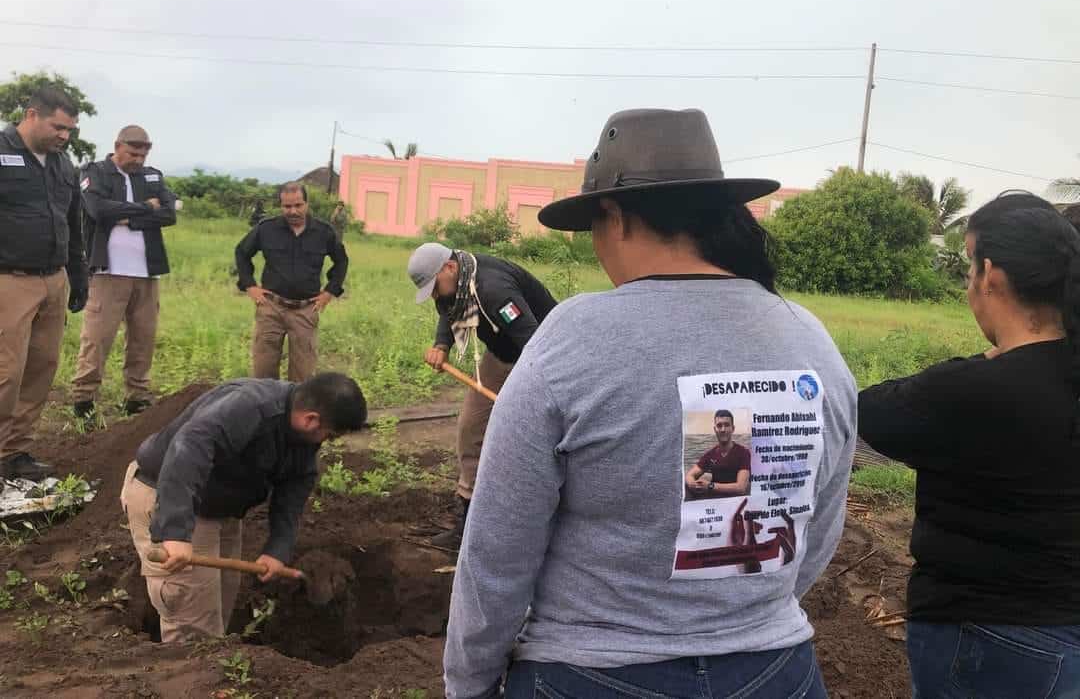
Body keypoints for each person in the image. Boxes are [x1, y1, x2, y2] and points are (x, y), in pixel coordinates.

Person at [443, 108, 856, 699]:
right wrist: (744, 616)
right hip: (777, 672)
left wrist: (470, 683)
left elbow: (497, 555)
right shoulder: (810, 338)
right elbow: (818, 527)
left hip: (592, 675)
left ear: (614, 215)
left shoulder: (572, 339)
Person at [859, 192, 1080, 698]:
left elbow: (866, 410)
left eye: (967, 270)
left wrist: (985, 360)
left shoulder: (973, 390)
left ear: (991, 277)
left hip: (992, 637)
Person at [120, 372, 367, 642]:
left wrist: (277, 549)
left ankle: (213, 670)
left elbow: (296, 485)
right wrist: (175, 532)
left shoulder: (300, 434)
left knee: (220, 605)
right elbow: (189, 447)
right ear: (311, 420)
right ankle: (191, 678)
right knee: (192, 622)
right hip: (169, 496)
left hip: (220, 508)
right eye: (329, 435)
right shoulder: (250, 407)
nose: (325, 443)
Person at [407, 240, 557, 550]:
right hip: (503, 355)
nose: (435, 294)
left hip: (543, 358)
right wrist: (441, 345)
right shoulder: (458, 283)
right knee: (471, 430)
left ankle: (539, 520)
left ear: (449, 267)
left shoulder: (494, 290)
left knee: (534, 436)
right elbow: (447, 309)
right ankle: (468, 522)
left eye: (435, 286)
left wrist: (525, 396)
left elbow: (535, 343)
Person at [0, 85, 88, 481]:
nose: (64, 136)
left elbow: (73, 222)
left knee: (41, 368)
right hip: (8, 279)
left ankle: (13, 452)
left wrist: (78, 273)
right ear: (32, 114)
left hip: (53, 279)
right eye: (59, 127)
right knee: (6, 371)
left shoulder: (62, 164)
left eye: (70, 130)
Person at [72, 125, 176, 419]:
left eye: (143, 154)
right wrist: (145, 208)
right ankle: (84, 399)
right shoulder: (95, 172)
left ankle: (137, 397)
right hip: (108, 271)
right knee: (98, 337)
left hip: (147, 272)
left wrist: (128, 219)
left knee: (143, 337)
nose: (139, 160)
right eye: (133, 153)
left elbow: (169, 213)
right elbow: (97, 210)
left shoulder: (152, 175)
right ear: (117, 146)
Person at [235, 182, 348, 382]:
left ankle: (294, 411)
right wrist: (250, 285)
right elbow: (242, 252)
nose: (293, 211)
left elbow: (341, 260)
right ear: (281, 206)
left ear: (306, 204)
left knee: (303, 377)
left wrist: (330, 292)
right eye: (287, 207)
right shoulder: (266, 229)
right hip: (271, 308)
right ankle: (268, 412)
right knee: (264, 373)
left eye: (298, 205)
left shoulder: (323, 232)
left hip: (305, 311)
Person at [685, 409, 751, 499]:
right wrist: (693, 484)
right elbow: (690, 475)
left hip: (735, 502)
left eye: (727, 425)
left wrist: (710, 486)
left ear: (733, 428)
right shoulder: (710, 454)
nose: (723, 429)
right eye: (719, 426)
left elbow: (741, 488)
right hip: (714, 501)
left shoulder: (743, 452)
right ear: (715, 429)